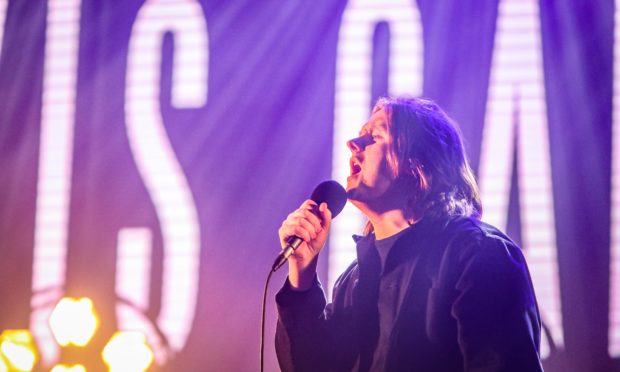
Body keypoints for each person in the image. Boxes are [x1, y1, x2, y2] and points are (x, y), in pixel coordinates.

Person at [275, 97, 544, 372]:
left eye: (374, 136)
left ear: (418, 164)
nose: (353, 144)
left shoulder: (479, 254)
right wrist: (302, 272)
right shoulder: (354, 280)